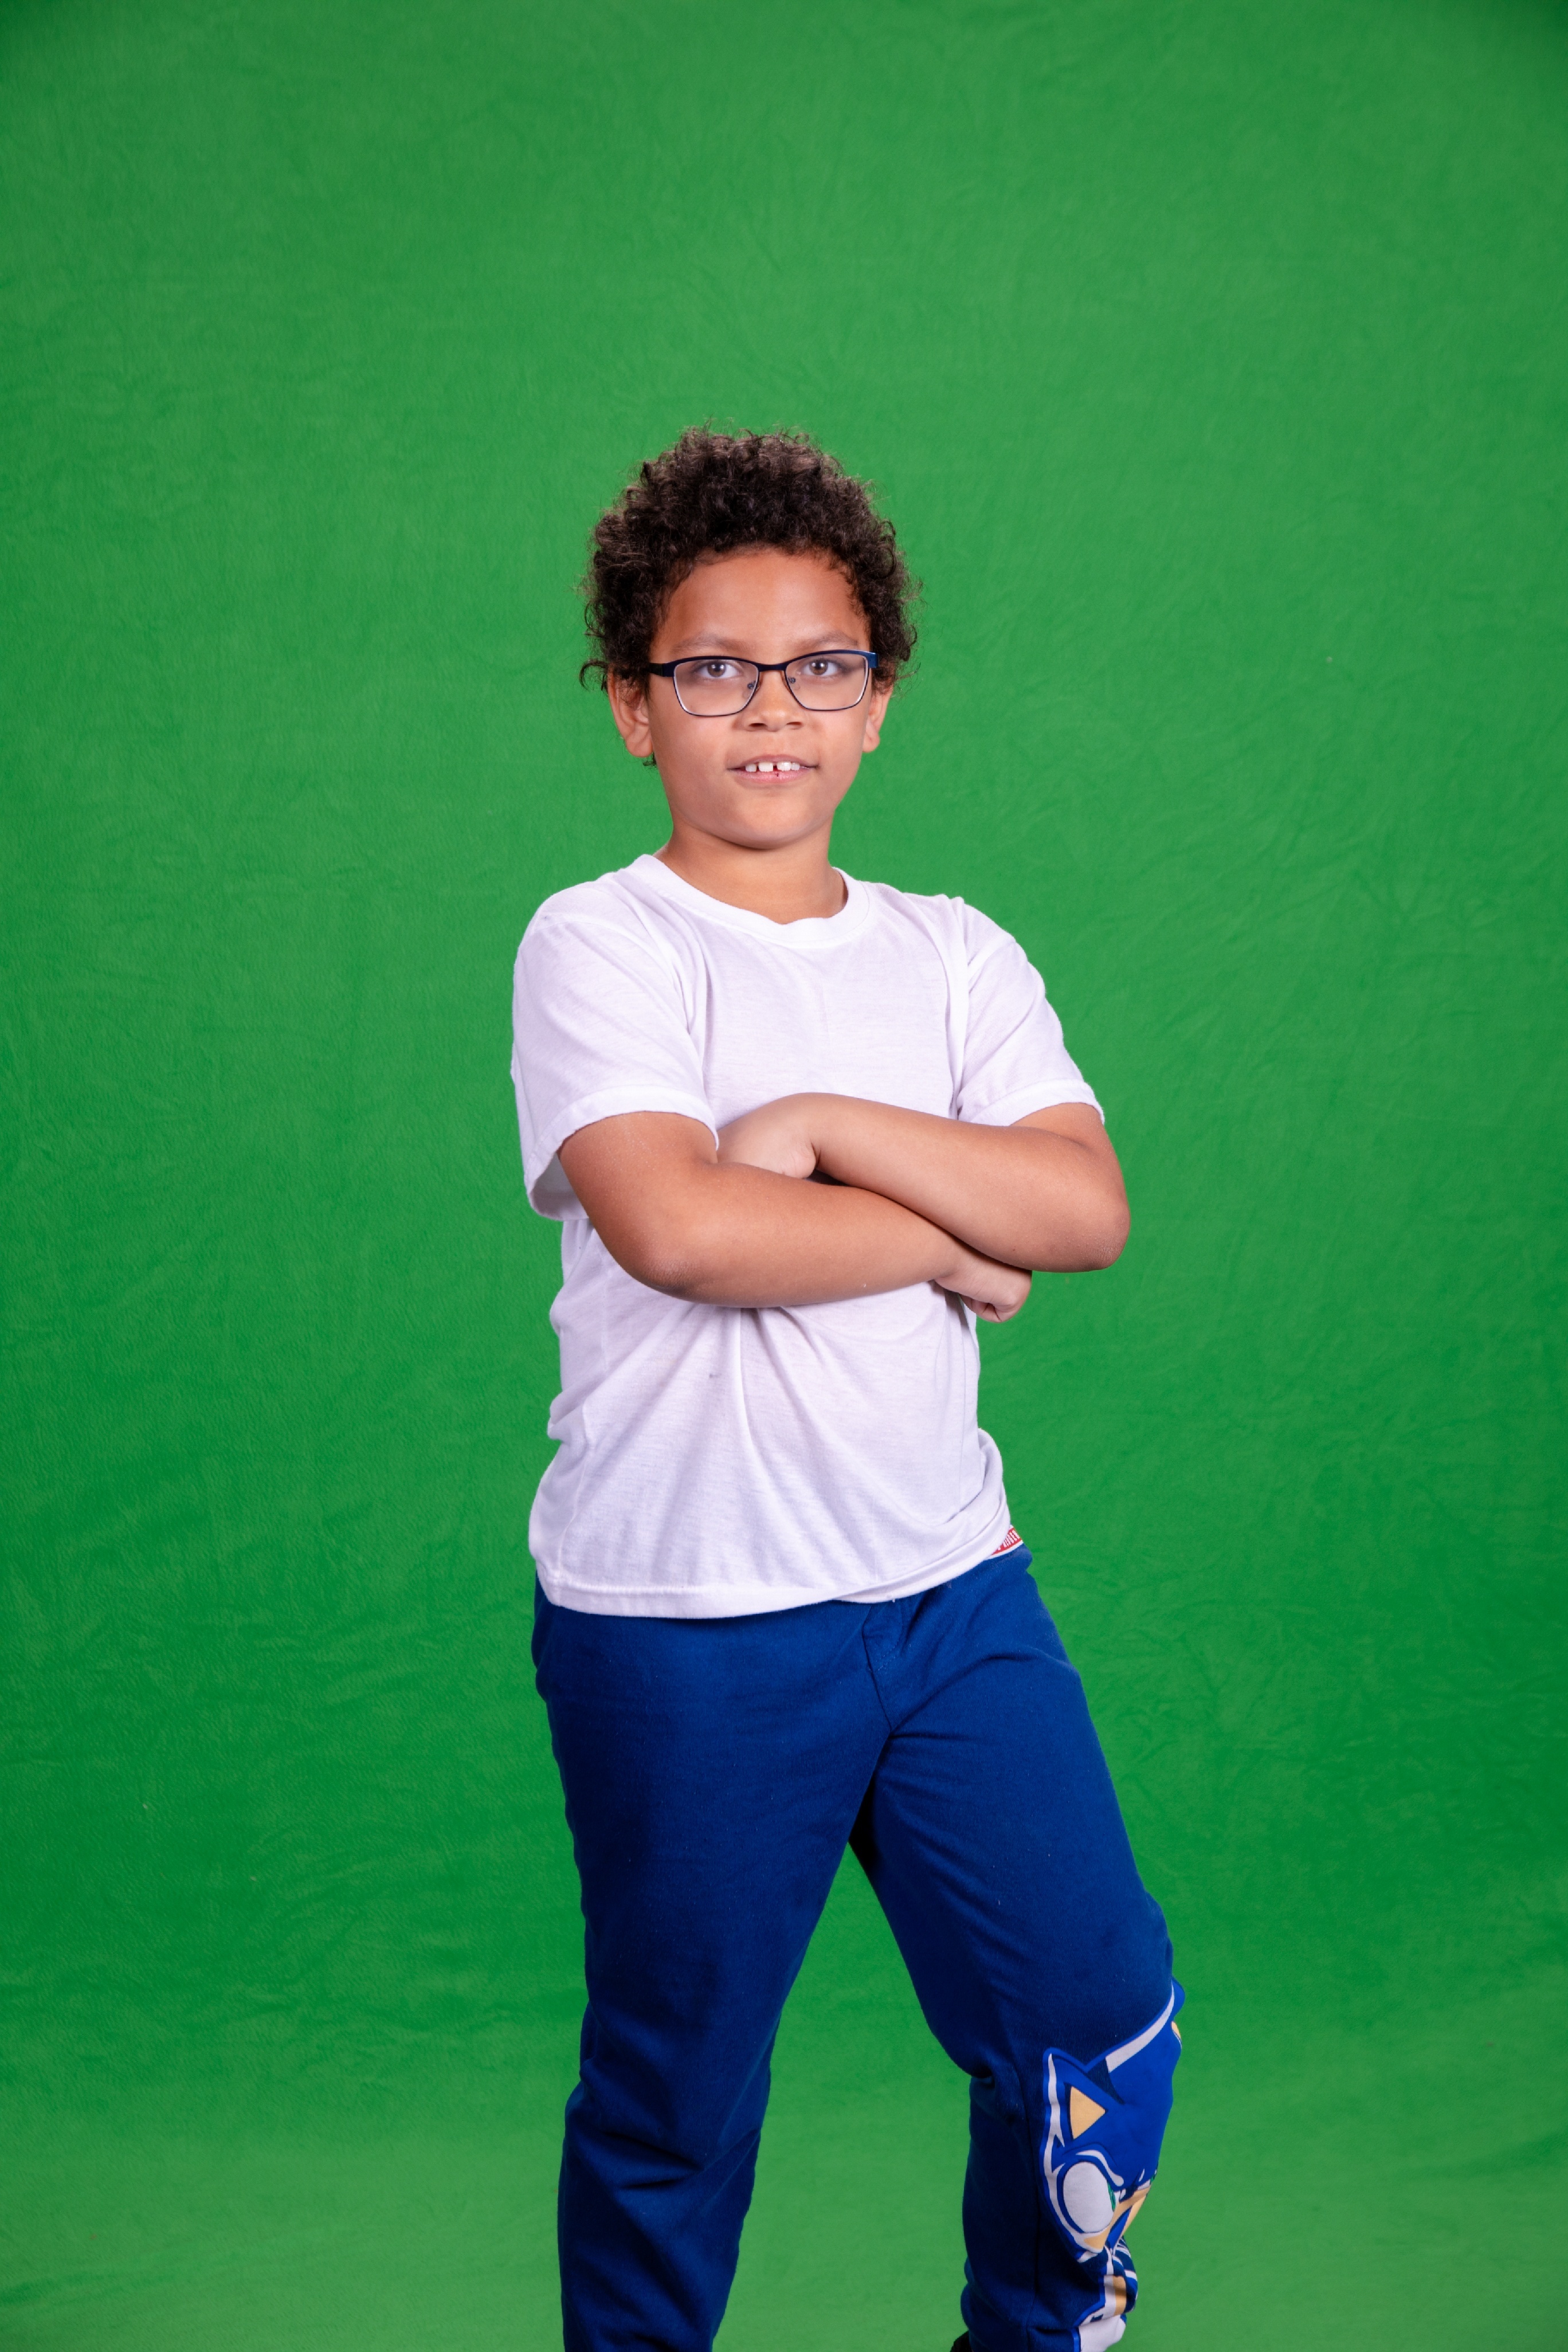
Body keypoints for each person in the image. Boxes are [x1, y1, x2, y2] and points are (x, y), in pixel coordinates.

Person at [511, 428, 1181, 2352]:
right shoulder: (602, 941)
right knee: (679, 2097)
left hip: (951, 1594)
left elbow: (1085, 1209)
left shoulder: (954, 957)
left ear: (878, 702)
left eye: (821, 666)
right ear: (635, 705)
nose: (771, 709)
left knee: (1097, 2016)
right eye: (714, 669)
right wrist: (957, 1234)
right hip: (687, 1620)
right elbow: (682, 1229)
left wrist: (816, 1125)